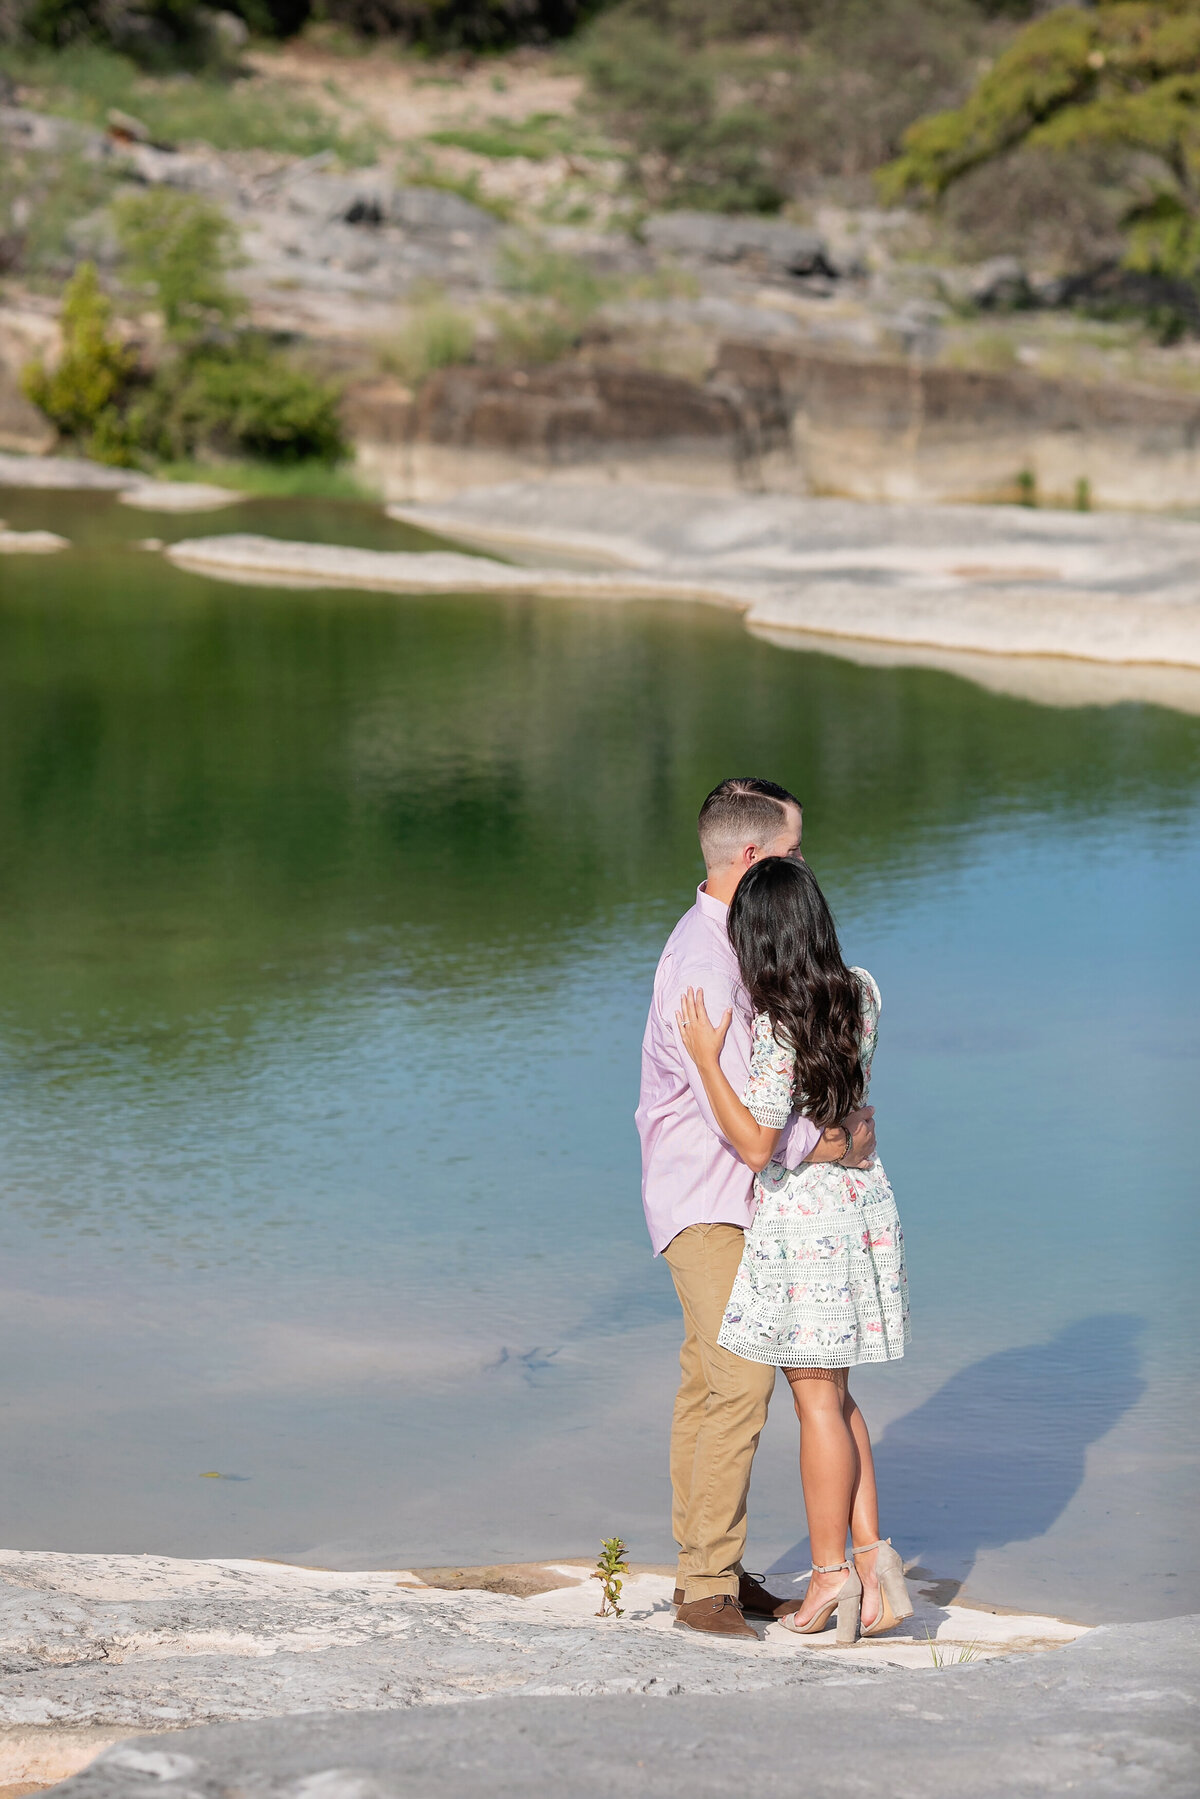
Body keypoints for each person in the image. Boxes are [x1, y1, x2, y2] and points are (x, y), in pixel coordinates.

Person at [636, 778, 877, 1640]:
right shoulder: (706, 963)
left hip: (715, 1193)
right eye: (793, 850)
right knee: (734, 1386)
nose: (804, 865)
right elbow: (750, 1129)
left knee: (708, 1384)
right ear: (752, 858)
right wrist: (838, 1138)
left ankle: (714, 1570)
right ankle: (705, 1588)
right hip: (710, 1198)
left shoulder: (729, 942)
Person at [676, 853, 912, 1644]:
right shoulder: (865, 990)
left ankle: (827, 1578)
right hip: (860, 1204)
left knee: (814, 1401)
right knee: (839, 1397)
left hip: (805, 1222)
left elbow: (755, 1144)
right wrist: (841, 1139)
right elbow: (845, 1109)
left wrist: (708, 1060)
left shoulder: (778, 1026)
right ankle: (876, 1564)